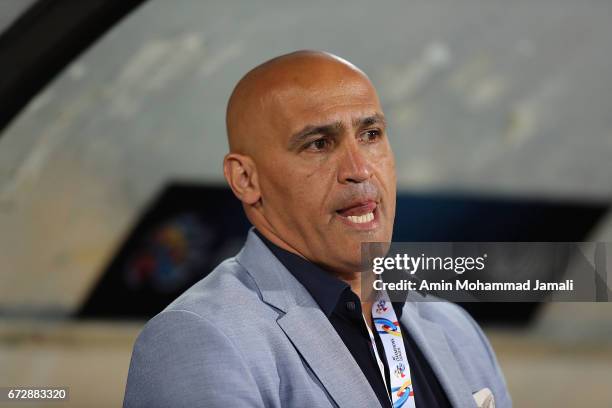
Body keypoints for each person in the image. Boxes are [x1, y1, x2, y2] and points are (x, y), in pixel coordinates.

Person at [123, 50, 511, 408]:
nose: (359, 170)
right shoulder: (198, 339)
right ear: (245, 179)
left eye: (371, 135)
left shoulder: (454, 328)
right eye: (318, 144)